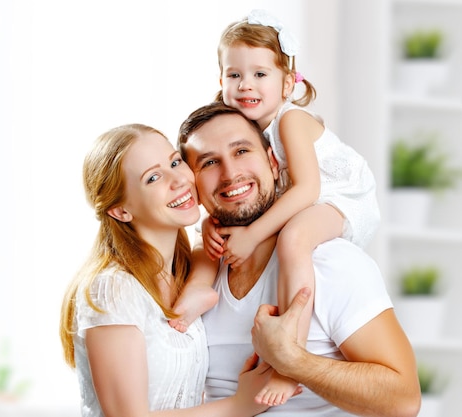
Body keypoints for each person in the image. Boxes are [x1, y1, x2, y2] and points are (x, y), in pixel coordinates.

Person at [170, 9, 381, 406]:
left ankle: (289, 360)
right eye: (235, 75)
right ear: (220, 82)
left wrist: (251, 233)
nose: (246, 84)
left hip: (342, 197)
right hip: (307, 198)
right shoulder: (250, 129)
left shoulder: (290, 121)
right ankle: (200, 293)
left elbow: (305, 189)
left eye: (260, 75)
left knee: (294, 240)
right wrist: (213, 224)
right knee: (242, 234)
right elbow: (244, 196)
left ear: (288, 83)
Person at [176, 101, 421, 416]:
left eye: (241, 151)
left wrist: (292, 360)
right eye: (209, 162)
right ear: (193, 185)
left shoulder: (331, 262)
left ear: (274, 162)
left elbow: (403, 400)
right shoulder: (195, 278)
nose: (231, 173)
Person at [59, 123, 281, 417]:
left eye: (175, 162)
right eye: (153, 178)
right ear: (121, 210)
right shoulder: (113, 289)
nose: (179, 180)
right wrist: (239, 406)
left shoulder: (186, 273)